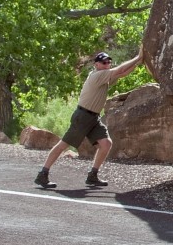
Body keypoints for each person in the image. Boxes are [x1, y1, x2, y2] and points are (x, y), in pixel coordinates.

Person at [34, 49, 143, 188]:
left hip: (93, 118)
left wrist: (139, 62)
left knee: (106, 144)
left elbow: (122, 73)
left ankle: (93, 175)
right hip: (83, 116)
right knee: (64, 144)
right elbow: (120, 69)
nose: (107, 64)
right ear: (96, 64)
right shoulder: (97, 76)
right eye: (104, 62)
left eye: (109, 62)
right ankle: (43, 174)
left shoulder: (104, 76)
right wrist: (137, 57)